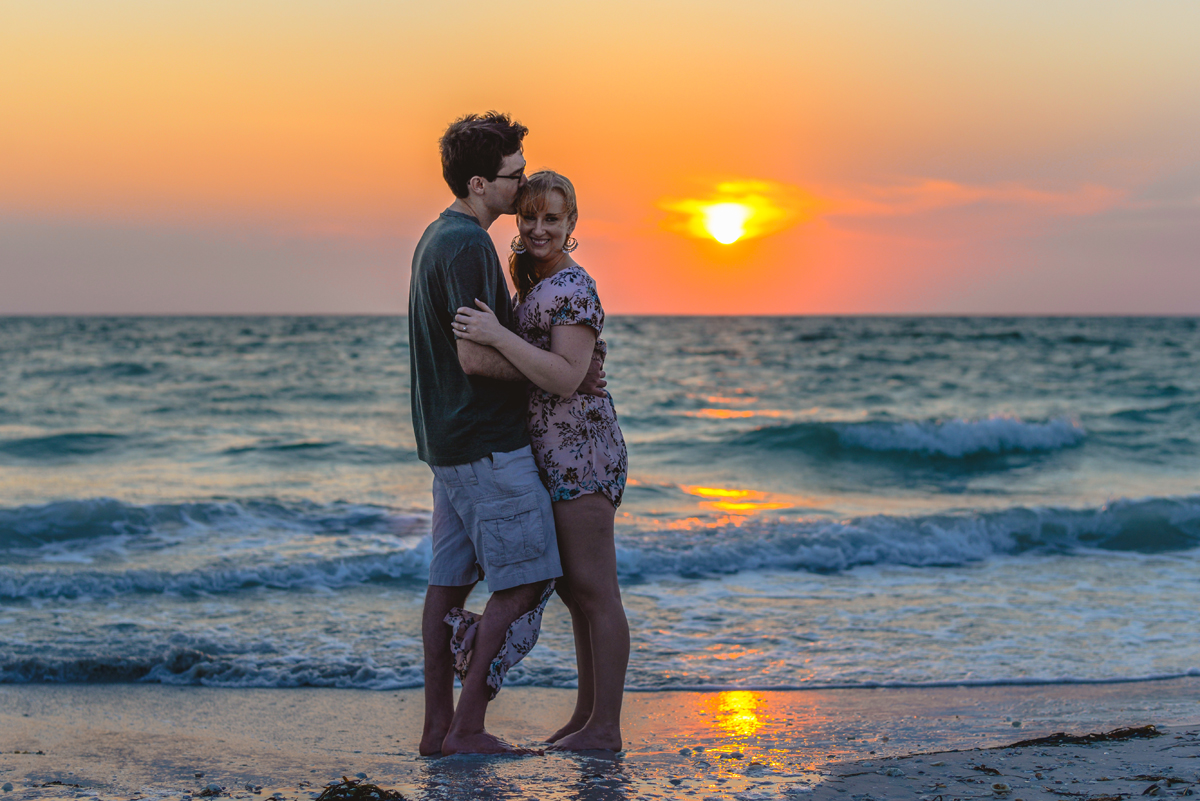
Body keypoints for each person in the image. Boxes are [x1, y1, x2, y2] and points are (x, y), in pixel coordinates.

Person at [409, 113, 605, 756]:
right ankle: (467, 730)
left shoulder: (435, 236)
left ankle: (437, 729)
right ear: (478, 183)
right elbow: (473, 356)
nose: (522, 189)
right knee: (524, 582)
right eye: (513, 177)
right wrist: (560, 375)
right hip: (487, 444)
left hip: (450, 447)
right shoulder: (467, 245)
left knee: (448, 586)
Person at [452, 170, 630, 752]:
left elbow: (565, 377)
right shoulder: (533, 282)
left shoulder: (574, 289)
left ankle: (606, 727)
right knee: (578, 592)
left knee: (597, 591)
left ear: (571, 223)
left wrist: (496, 337)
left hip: (583, 454)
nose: (537, 228)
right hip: (551, 455)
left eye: (552, 219)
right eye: (528, 217)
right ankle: (585, 717)